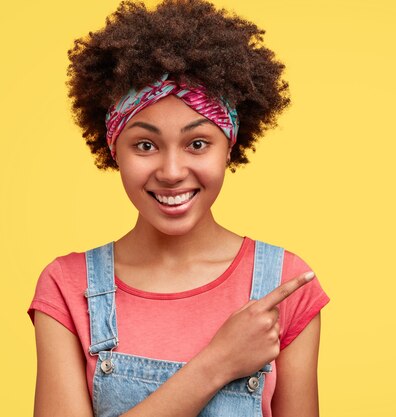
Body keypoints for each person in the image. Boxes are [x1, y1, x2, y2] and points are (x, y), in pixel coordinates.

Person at [26, 1, 330, 416]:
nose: (171, 171)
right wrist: (217, 364)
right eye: (145, 145)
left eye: (198, 143)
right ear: (115, 150)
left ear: (230, 147)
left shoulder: (285, 284)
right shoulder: (67, 286)